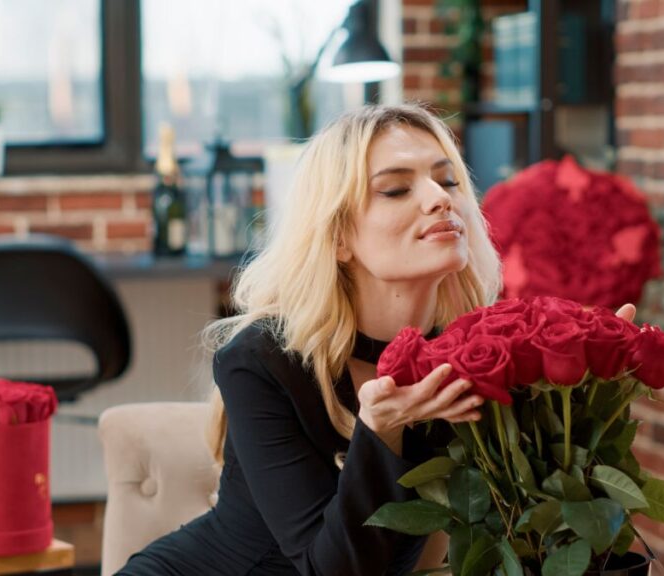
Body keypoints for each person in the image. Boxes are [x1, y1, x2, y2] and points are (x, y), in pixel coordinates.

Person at [116, 103, 636, 576]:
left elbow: (532, 526)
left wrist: (592, 385)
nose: (439, 200)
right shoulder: (262, 360)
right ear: (339, 236)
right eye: (396, 188)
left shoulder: (484, 347)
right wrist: (381, 430)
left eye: (448, 180)